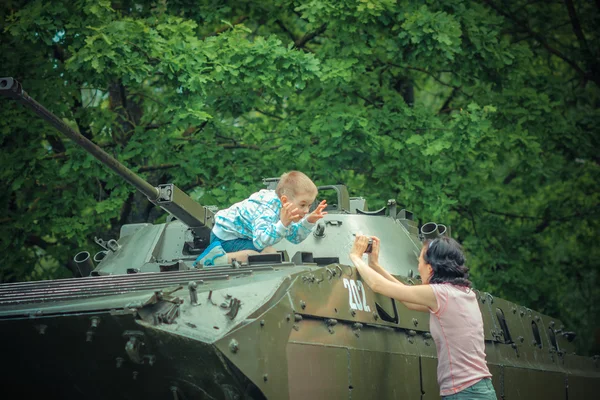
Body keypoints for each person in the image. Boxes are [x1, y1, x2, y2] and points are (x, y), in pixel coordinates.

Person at [349, 235, 497, 400]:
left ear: (430, 267)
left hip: (464, 393)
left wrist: (355, 257)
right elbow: (408, 300)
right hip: (479, 389)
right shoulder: (462, 293)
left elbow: (378, 286)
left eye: (419, 262)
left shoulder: (440, 294)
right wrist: (375, 265)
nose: (418, 268)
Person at [194, 171, 328, 267]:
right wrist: (282, 224)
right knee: (255, 255)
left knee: (270, 253)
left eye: (309, 206)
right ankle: (214, 259)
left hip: (244, 236)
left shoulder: (285, 208)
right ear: (285, 200)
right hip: (225, 237)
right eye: (303, 205)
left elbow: (294, 238)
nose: (306, 211)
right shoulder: (266, 209)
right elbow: (260, 242)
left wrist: (308, 222)